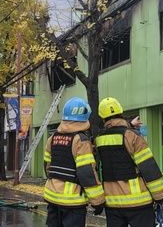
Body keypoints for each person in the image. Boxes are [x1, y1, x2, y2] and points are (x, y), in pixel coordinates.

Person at [95, 97, 163, 227]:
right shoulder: (132, 136)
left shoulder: (98, 140)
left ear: (102, 117)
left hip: (112, 204)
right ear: (121, 112)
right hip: (138, 203)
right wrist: (161, 197)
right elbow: (149, 168)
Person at [43, 97, 105, 227]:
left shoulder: (52, 138)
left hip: (52, 197)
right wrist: (97, 201)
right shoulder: (81, 140)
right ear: (84, 117)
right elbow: (86, 173)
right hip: (72, 202)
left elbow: (47, 166)